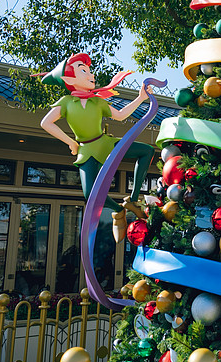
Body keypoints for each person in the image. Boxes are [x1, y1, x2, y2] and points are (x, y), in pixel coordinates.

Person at [40, 53, 154, 242]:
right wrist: (71, 142)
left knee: (147, 151)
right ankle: (118, 211)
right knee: (90, 195)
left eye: (90, 70)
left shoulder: (98, 101)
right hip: (86, 150)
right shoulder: (67, 102)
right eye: (83, 71)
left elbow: (120, 115)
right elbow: (46, 123)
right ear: (69, 79)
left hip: (106, 143)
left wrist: (141, 97)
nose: (91, 75)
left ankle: (133, 199)